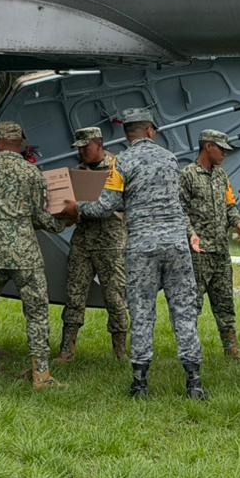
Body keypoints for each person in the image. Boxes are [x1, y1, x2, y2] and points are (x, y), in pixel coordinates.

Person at [78, 108, 207, 399]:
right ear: (150, 130)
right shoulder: (170, 159)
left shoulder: (122, 162)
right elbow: (177, 203)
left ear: (128, 134)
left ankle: (140, 385)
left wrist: (77, 207)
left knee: (142, 312)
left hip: (142, 247)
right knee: (184, 312)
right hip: (175, 245)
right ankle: (194, 384)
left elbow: (105, 206)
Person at [0, 121, 76, 389]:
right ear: (20, 144)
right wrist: (65, 220)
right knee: (37, 312)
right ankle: (41, 375)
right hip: (24, 252)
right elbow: (39, 215)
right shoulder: (32, 173)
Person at [179, 128, 240, 365]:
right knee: (192, 305)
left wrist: (239, 223)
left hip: (220, 251)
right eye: (221, 149)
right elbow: (179, 211)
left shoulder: (221, 175)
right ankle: (190, 352)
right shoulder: (188, 175)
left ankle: (232, 351)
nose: (225, 154)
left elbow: (230, 205)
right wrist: (191, 235)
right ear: (208, 146)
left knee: (225, 304)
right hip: (198, 254)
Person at [56, 126, 127, 362]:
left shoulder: (118, 168)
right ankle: (67, 350)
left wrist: (83, 206)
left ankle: (120, 352)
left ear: (99, 144)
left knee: (115, 297)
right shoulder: (79, 172)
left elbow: (123, 203)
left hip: (110, 243)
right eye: (79, 148)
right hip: (83, 242)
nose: (81, 152)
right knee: (74, 294)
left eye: (85, 147)